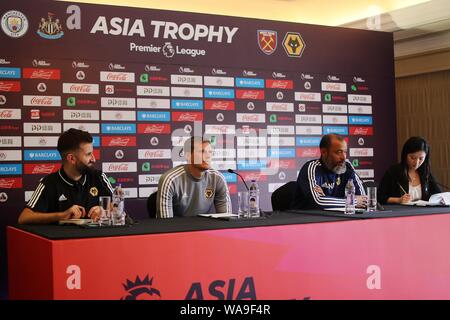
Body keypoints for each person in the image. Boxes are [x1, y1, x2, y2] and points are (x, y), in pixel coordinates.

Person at [18, 128, 114, 224]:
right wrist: (62, 215)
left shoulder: (99, 177)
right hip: (62, 238)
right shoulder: (48, 183)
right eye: (88, 154)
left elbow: (118, 205)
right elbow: (24, 218)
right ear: (71, 158)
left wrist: (105, 210)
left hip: (95, 238)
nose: (93, 159)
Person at [156, 136, 232, 218]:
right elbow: (165, 224)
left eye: (210, 152)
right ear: (188, 156)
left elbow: (226, 219)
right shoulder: (170, 179)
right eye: (202, 152)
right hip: (177, 229)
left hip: (204, 229)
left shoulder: (217, 178)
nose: (208, 156)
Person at [291, 134, 366, 209]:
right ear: (324, 152)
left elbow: (364, 201)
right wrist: (352, 201)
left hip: (337, 217)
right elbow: (318, 202)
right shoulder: (312, 167)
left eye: (345, 152)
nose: (343, 157)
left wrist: (326, 199)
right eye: (339, 152)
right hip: (305, 218)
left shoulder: (347, 167)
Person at [377, 136, 441, 204]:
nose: (416, 162)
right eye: (413, 158)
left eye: (421, 158)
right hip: (400, 212)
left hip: (422, 213)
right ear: (405, 155)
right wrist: (398, 200)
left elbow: (438, 195)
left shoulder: (426, 173)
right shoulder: (393, 172)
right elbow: (379, 197)